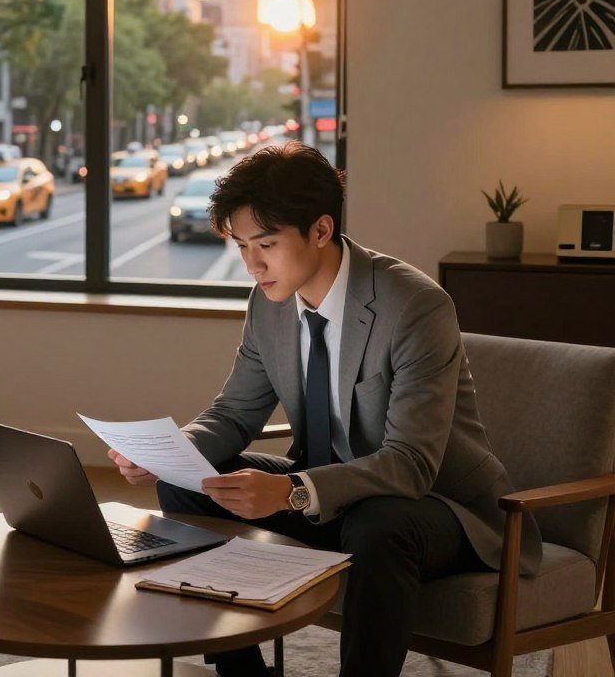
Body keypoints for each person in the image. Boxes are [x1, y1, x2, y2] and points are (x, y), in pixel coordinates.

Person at [109, 142, 541, 677]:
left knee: (379, 525)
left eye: (265, 244)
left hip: (435, 506)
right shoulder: (268, 303)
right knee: (189, 484)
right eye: (241, 246)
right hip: (325, 495)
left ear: (320, 230)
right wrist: (168, 454)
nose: (252, 264)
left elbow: (411, 463)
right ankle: (239, 671)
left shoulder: (413, 306)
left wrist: (293, 491)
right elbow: (235, 413)